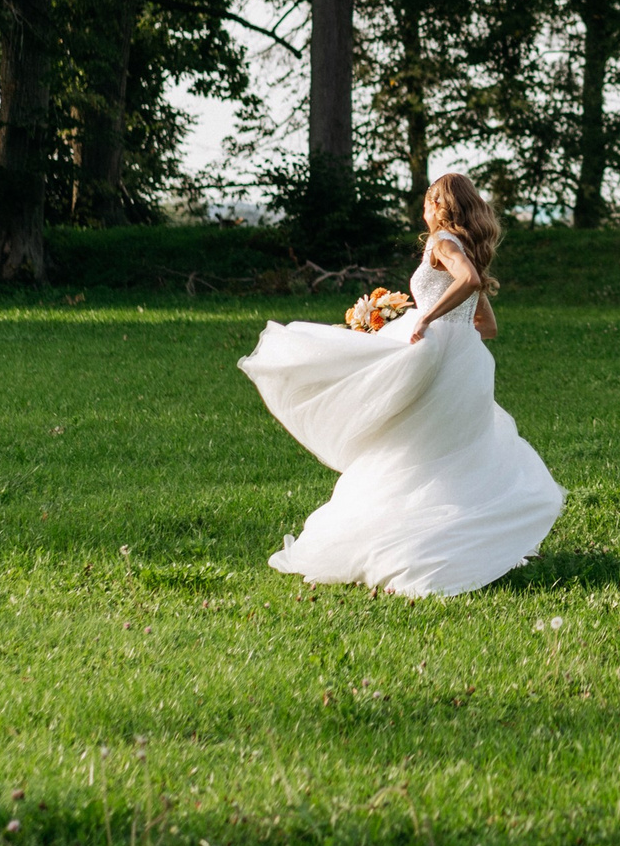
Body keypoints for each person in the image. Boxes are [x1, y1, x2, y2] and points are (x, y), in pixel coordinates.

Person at [237, 172, 564, 596]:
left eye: (428, 202)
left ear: (438, 206)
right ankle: (453, 536)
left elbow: (468, 281)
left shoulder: (442, 241)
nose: (423, 209)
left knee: (410, 447)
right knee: (443, 451)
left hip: (439, 355)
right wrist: (448, 326)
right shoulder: (464, 246)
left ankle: (414, 541)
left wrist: (427, 319)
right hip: (466, 361)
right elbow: (487, 325)